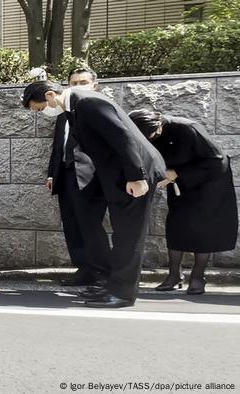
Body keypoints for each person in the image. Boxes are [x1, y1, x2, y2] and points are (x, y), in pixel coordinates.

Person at [22, 81, 166, 308]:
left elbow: (122, 136)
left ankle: (123, 294)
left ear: (50, 95)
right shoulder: (75, 106)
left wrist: (137, 176)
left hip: (134, 174)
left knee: (128, 236)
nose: (44, 113)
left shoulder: (87, 102)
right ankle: (113, 287)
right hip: (122, 175)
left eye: (41, 108)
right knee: (121, 235)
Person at [129, 109, 238, 295]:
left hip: (209, 184)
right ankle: (174, 275)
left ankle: (197, 277)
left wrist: (177, 173)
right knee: (176, 225)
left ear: (158, 126)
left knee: (203, 229)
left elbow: (217, 162)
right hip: (180, 184)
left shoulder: (188, 128)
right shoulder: (150, 132)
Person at [46, 68, 111, 287]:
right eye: (73, 83)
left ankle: (102, 273)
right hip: (65, 174)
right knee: (72, 225)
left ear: (95, 85)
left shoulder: (97, 108)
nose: (77, 86)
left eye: (83, 82)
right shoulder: (64, 112)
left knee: (90, 225)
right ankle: (84, 268)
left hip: (89, 176)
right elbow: (58, 145)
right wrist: (52, 173)